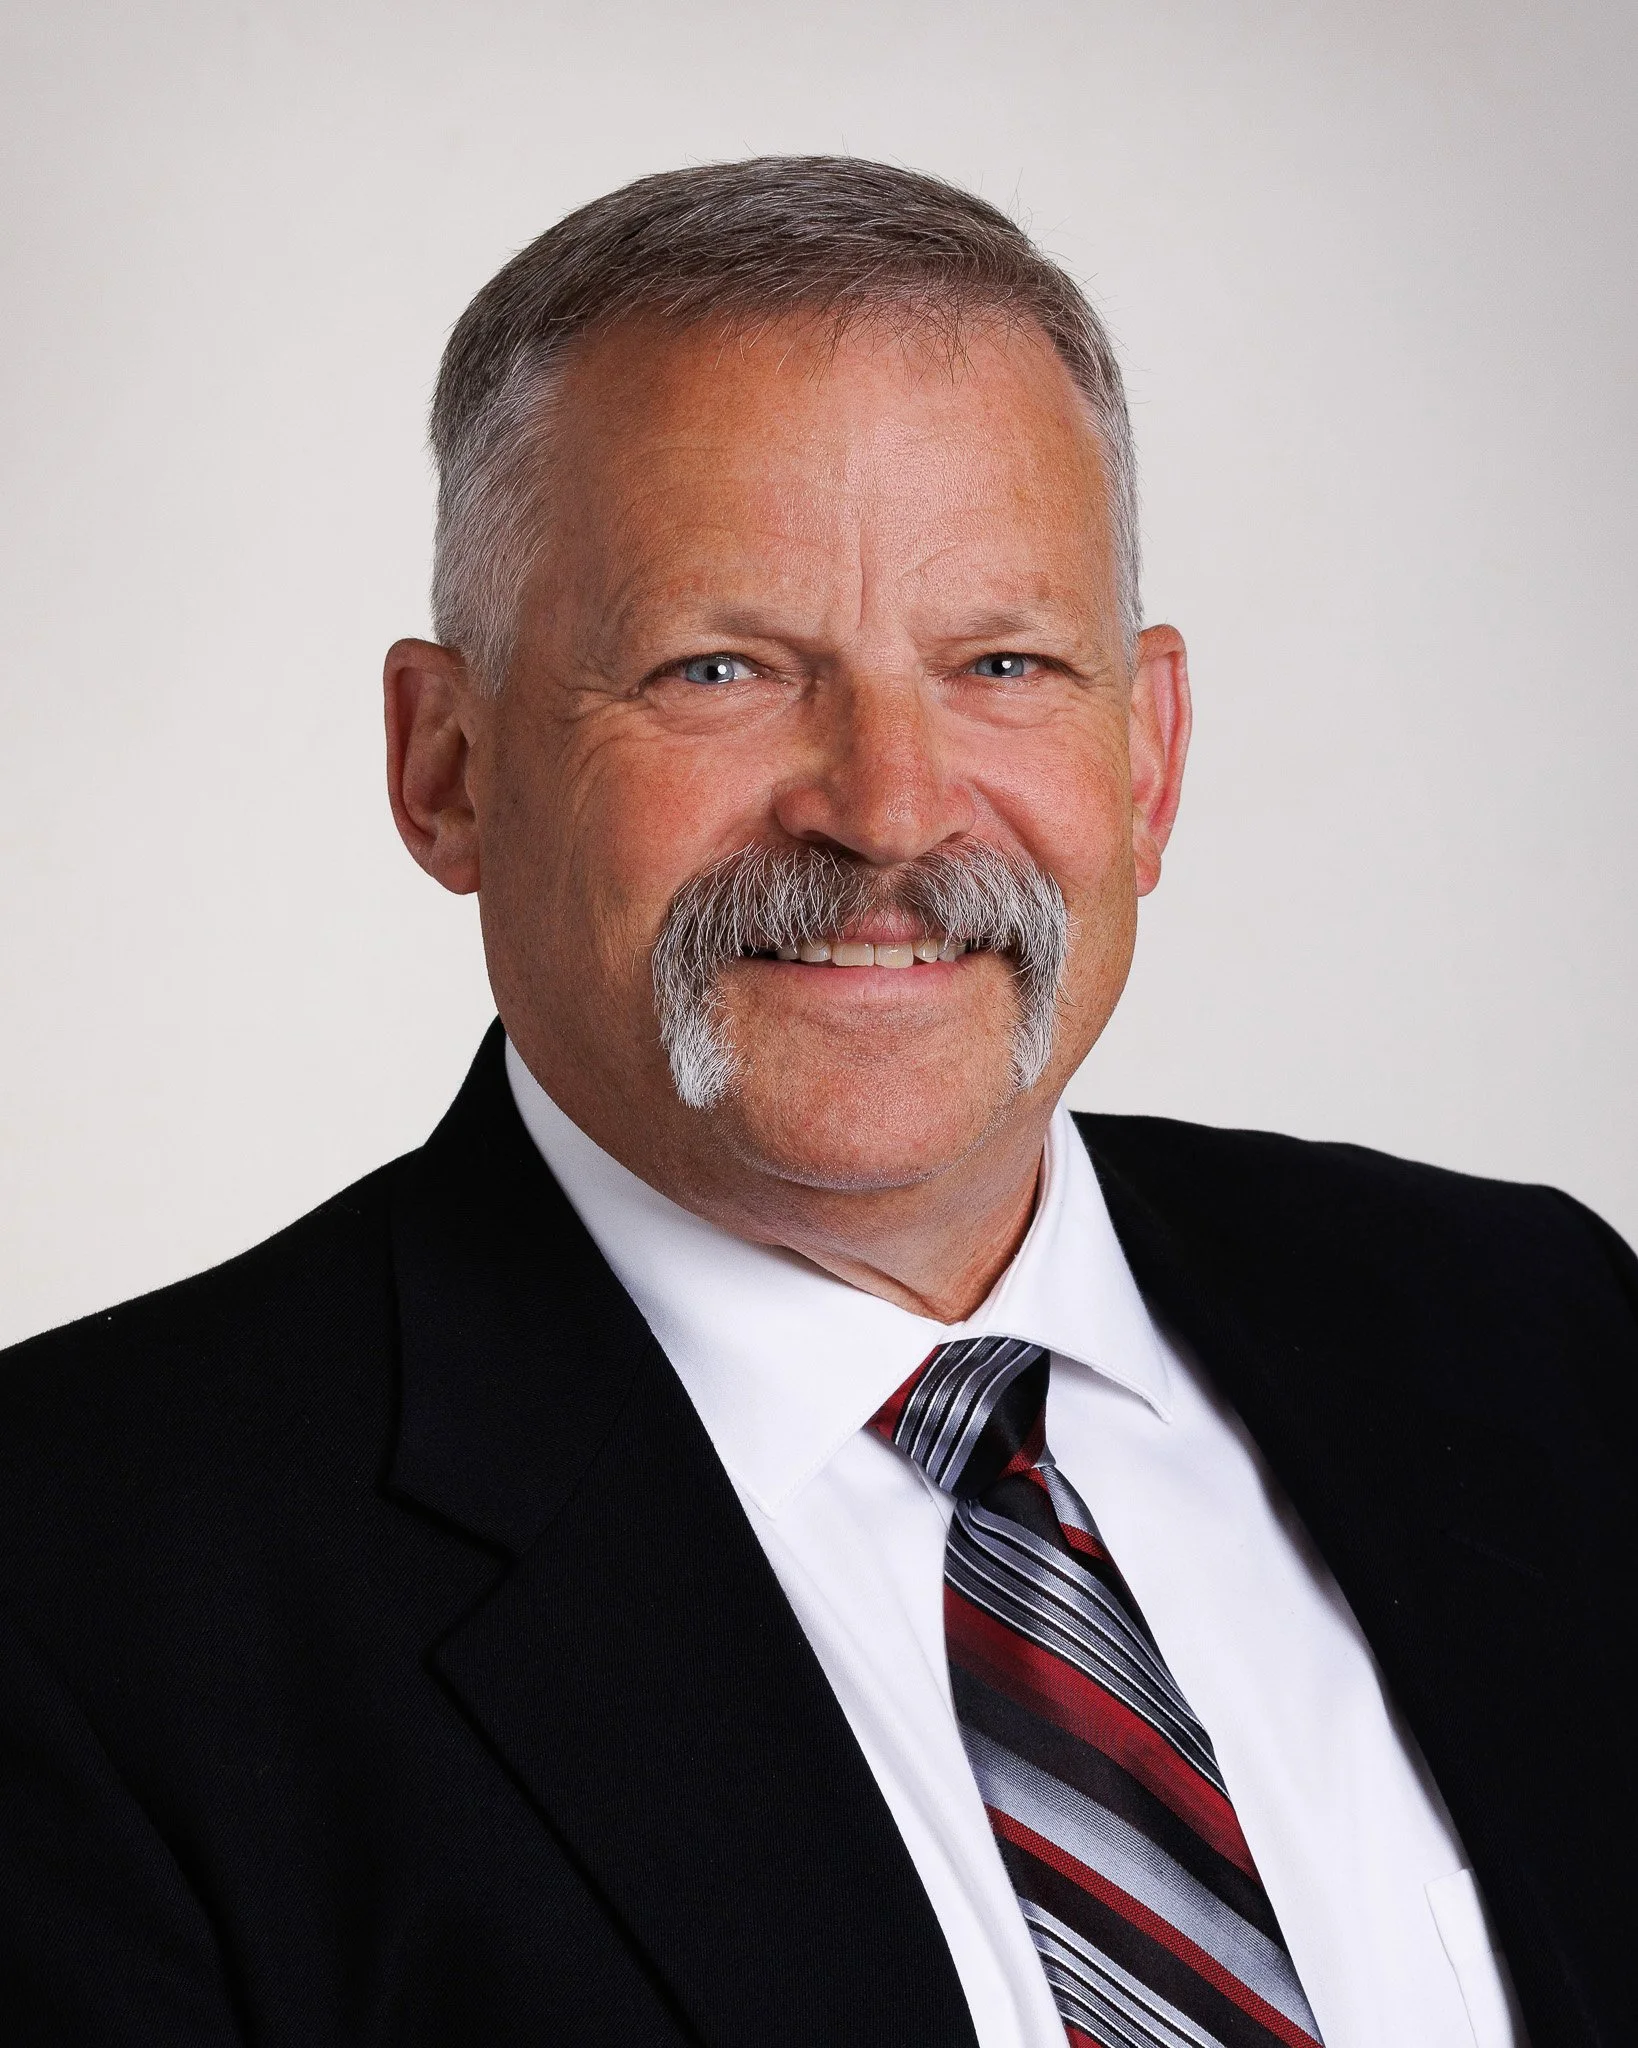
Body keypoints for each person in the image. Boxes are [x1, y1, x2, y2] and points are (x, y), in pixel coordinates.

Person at [0, 157, 1629, 2048]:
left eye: (1000, 663)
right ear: (445, 768)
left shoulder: (1531, 1337)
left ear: (1150, 754)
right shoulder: (81, 1585)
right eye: (723, 670)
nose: (886, 805)